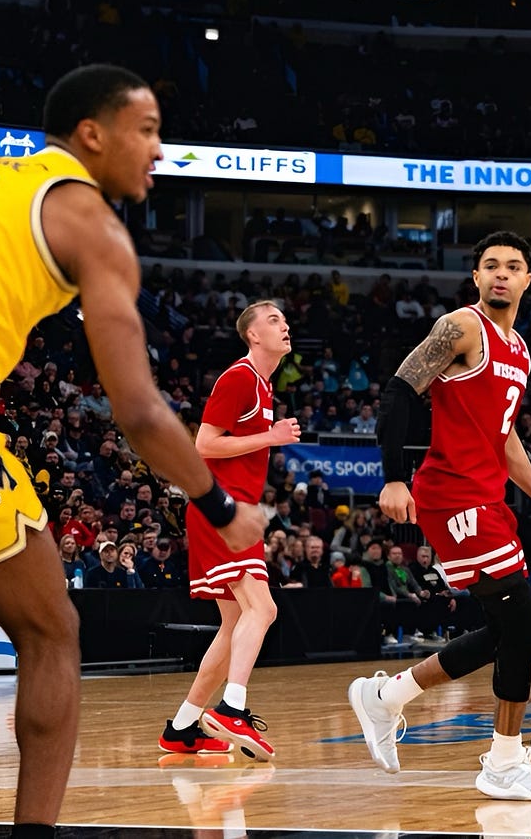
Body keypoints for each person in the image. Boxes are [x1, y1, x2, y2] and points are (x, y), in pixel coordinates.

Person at [0, 64, 264, 836]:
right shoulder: (91, 222)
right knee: (51, 633)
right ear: (92, 134)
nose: (159, 150)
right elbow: (142, 414)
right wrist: (218, 503)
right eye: (145, 130)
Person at [347, 232, 531, 801]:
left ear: (527, 280)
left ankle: (387, 698)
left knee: (503, 633)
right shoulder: (462, 327)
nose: (501, 274)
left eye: (513, 266)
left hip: (487, 495)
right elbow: (399, 391)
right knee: (524, 627)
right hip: (452, 496)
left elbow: (505, 439)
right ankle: (503, 763)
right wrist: (394, 476)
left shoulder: (518, 349)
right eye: (490, 265)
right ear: (476, 277)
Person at [162, 301, 300, 760]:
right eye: (274, 320)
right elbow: (203, 443)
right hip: (220, 510)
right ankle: (231, 709)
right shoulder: (239, 377)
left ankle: (182, 727)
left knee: (236, 623)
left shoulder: (263, 385)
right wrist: (271, 437)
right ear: (252, 335)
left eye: (285, 319)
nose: (285, 326)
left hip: (231, 511)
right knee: (263, 609)